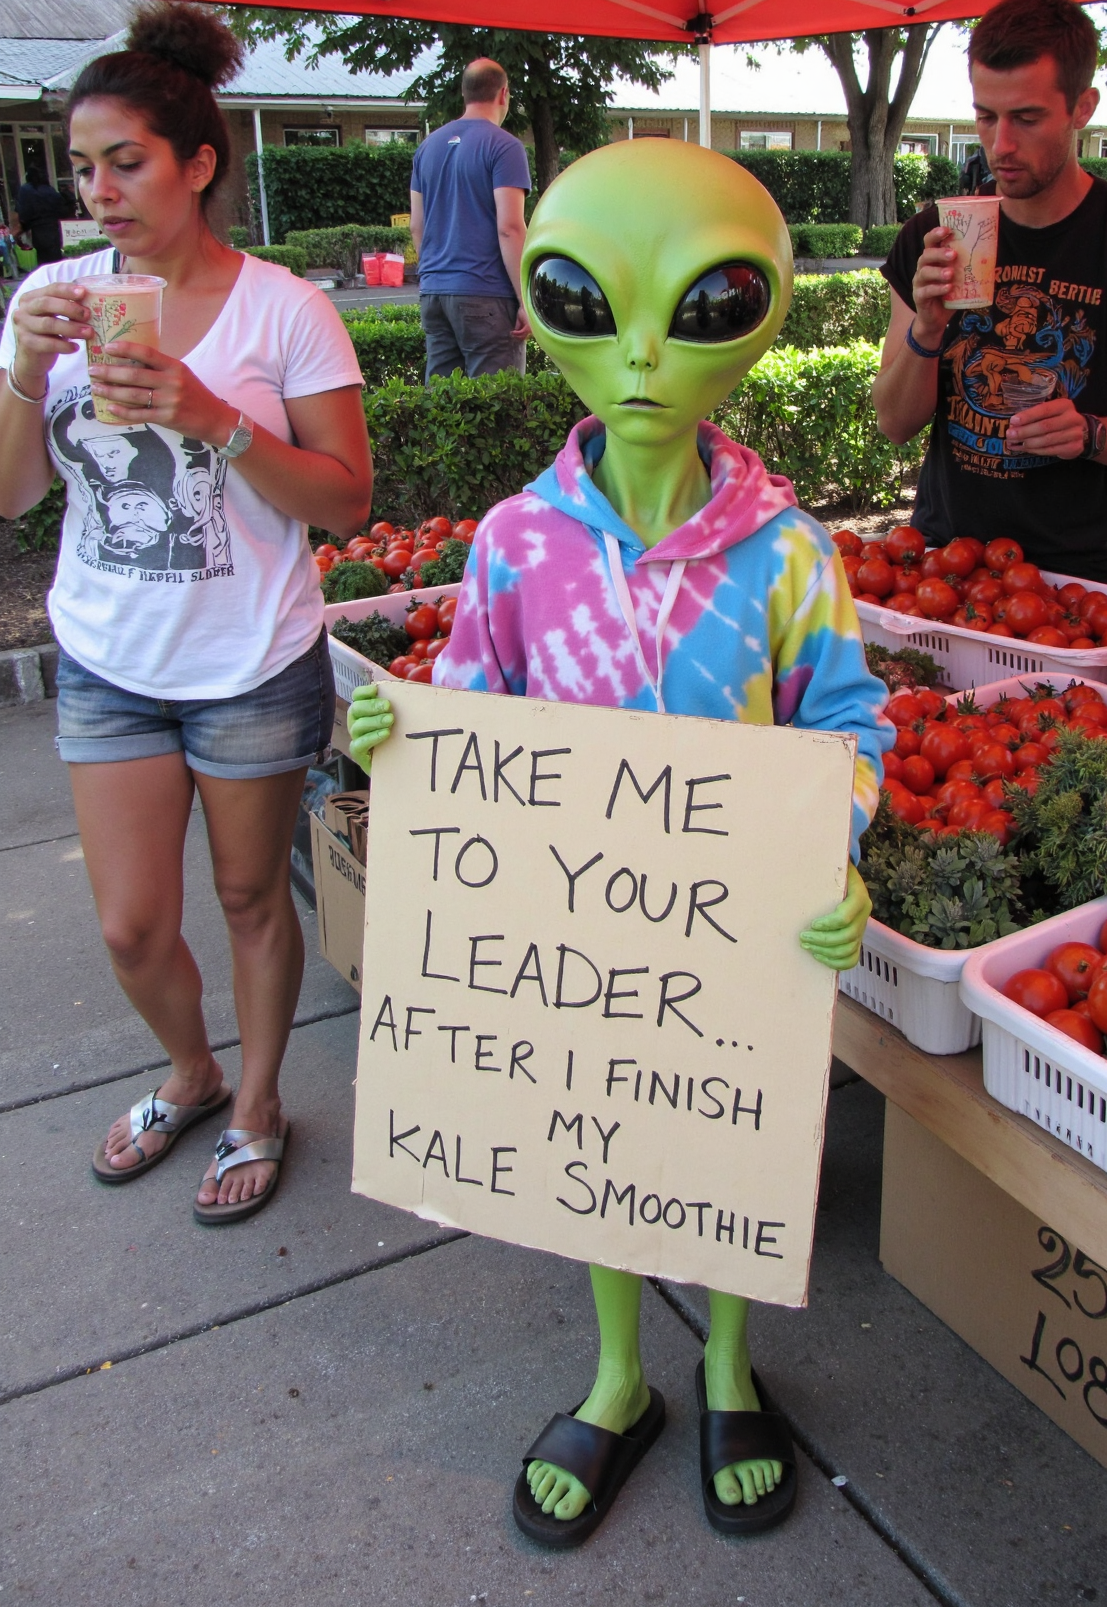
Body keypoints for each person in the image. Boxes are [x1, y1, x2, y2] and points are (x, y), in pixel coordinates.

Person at [347, 139, 891, 1546]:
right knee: (592, 1137)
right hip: (577, 944)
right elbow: (475, 694)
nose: (645, 349)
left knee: (723, 1148)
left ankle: (721, 1365)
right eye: (592, 298)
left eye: (703, 305)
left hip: (734, 937)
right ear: (544, 306)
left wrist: (833, 847)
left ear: (759, 317)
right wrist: (404, 740)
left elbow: (851, 719)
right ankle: (614, 1374)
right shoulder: (516, 542)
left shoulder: (789, 555)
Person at [0, 2, 372, 1223]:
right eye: (81, 166)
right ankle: (191, 1069)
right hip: (108, 659)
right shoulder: (51, 297)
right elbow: (10, 498)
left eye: (126, 161)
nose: (97, 190)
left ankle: (258, 1101)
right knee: (127, 923)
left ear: (198, 164)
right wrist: (18, 374)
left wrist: (213, 416)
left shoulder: (284, 311)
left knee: (254, 898)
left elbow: (348, 501)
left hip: (253, 661)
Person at [873, 0, 1107, 584]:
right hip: (943, 565)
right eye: (985, 116)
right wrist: (927, 329)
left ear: (1082, 108)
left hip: (1071, 582)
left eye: (1026, 118)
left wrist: (1092, 432)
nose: (1001, 145)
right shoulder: (936, 233)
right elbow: (893, 423)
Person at [410, 58, 532, 381]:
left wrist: (439, 277)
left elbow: (416, 226)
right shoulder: (505, 147)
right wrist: (527, 300)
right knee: (497, 410)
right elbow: (510, 228)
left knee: (441, 410)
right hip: (486, 296)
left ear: (465, 94)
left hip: (434, 294)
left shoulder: (427, 147)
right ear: (503, 94)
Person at [16, 162, 66, 266]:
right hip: (54, 228)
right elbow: (61, 208)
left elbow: (24, 212)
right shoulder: (50, 190)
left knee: (44, 260)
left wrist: (24, 227)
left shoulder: (26, 189)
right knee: (55, 259)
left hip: (38, 229)